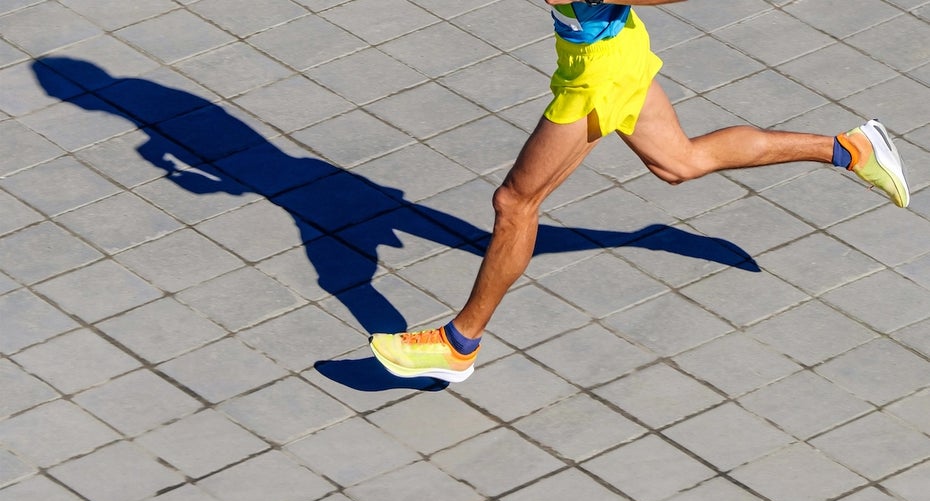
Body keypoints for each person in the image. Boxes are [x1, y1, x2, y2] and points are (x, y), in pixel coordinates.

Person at [369, 0, 910, 383]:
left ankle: (458, 344)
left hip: (599, 74)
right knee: (680, 162)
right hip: (611, 52)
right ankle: (852, 149)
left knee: (515, 203)